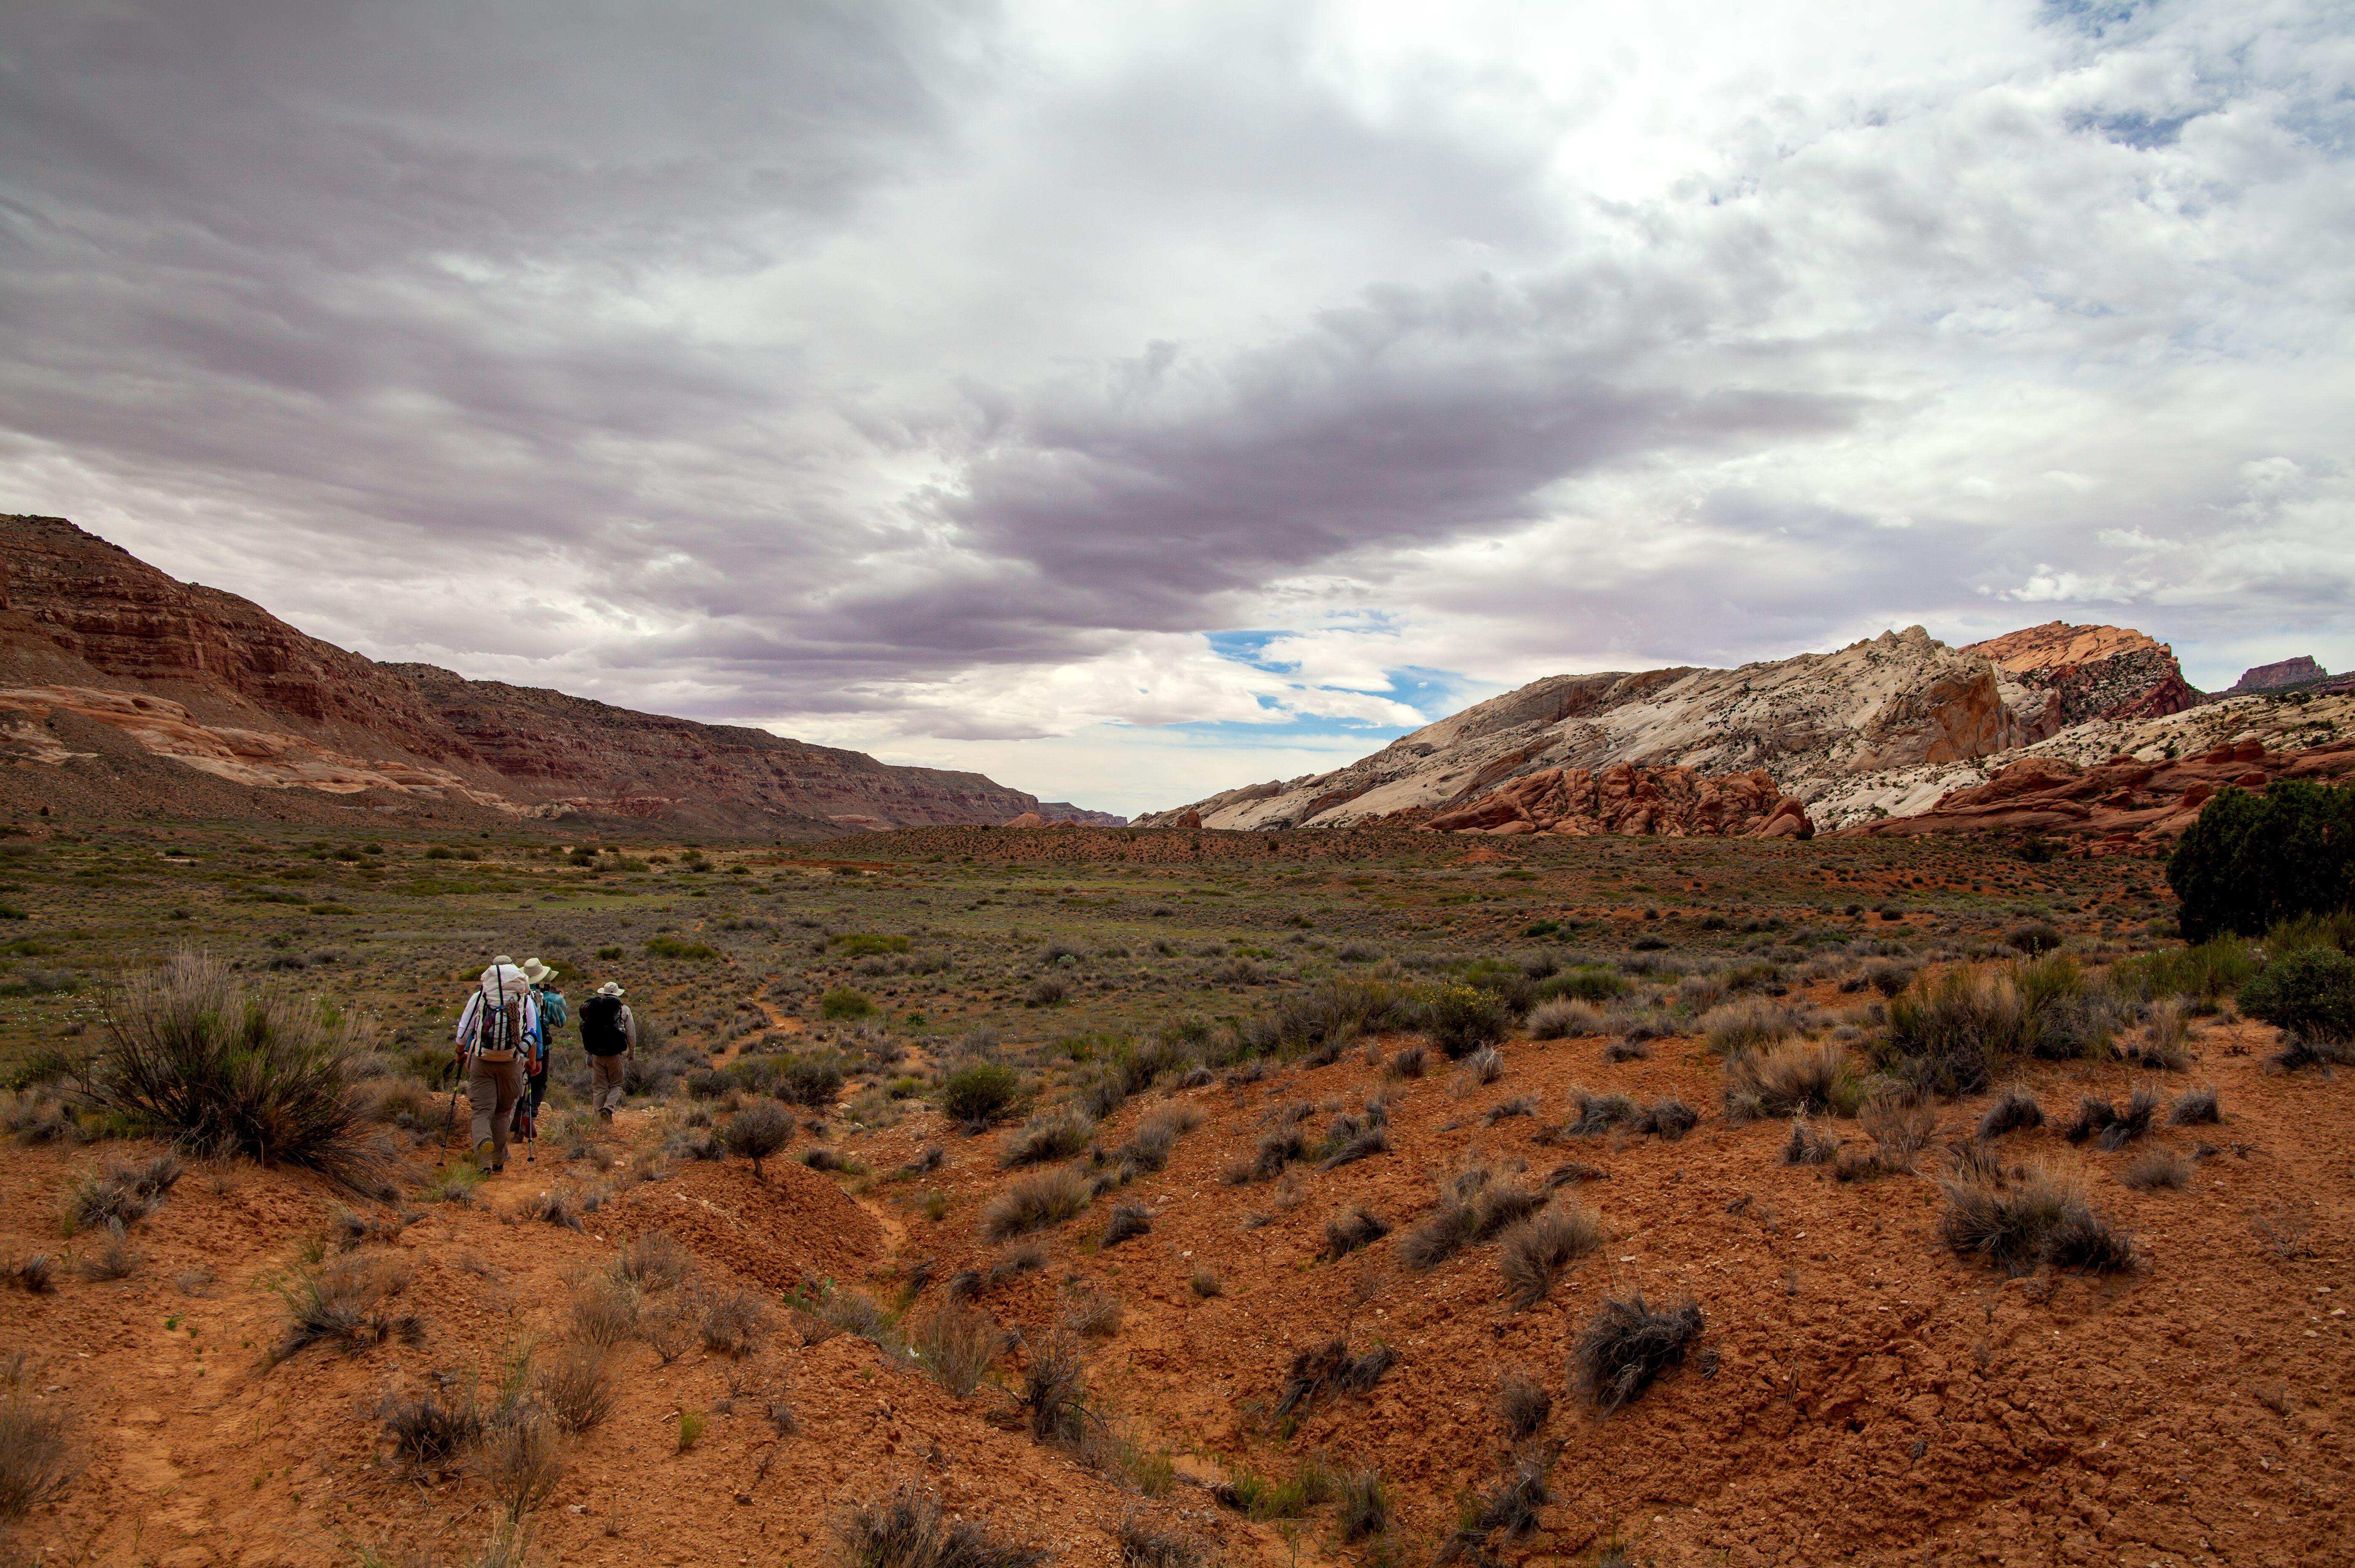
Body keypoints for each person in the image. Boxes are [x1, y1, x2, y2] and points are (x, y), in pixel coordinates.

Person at [454, 954, 539, 1172]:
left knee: (482, 1111)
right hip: (511, 1061)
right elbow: (532, 1033)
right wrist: (531, 1061)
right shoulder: (525, 998)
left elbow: (464, 1031)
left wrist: (459, 1053)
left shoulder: (480, 997)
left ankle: (483, 1151)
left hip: (482, 1060)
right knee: (502, 1112)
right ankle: (498, 1161)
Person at [512, 957, 566, 1144]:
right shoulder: (547, 1002)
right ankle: (530, 1113)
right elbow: (561, 1022)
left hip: (519, 1048)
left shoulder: (518, 999)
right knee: (539, 1083)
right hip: (543, 1048)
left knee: (520, 1083)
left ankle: (516, 1122)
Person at [579, 979, 636, 1121]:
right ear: (617, 994)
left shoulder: (595, 1009)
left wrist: (589, 1055)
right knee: (616, 1084)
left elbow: (589, 1032)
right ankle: (608, 1108)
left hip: (597, 1054)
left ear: (604, 994)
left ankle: (597, 1120)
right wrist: (632, 1050)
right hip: (615, 1054)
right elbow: (631, 1033)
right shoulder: (624, 1009)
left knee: (600, 1087)